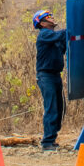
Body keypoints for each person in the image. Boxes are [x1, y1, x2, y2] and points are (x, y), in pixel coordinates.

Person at [34, 9, 67, 151]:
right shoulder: (45, 35)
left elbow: (62, 44)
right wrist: (71, 28)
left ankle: (52, 138)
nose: (52, 19)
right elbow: (61, 35)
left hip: (54, 75)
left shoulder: (53, 38)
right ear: (41, 23)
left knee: (59, 107)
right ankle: (47, 142)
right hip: (46, 76)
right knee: (51, 107)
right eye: (48, 17)